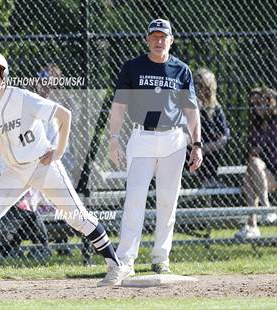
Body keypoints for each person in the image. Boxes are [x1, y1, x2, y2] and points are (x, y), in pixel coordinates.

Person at [0, 51, 129, 291]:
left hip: (43, 166)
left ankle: (116, 265)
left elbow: (65, 115)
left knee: (78, 218)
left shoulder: (21, 97)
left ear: (4, 75)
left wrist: (59, 152)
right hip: (15, 172)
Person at [108, 19, 203, 282]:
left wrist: (197, 144)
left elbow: (191, 110)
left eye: (164, 37)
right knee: (134, 200)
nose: (159, 41)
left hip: (174, 139)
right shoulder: (133, 67)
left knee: (167, 201)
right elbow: (119, 106)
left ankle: (161, 258)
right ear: (147, 39)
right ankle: (126, 260)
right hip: (142, 137)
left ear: (171, 40)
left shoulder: (181, 70)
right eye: (155, 36)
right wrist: (114, 139)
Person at [236, 87, 277, 239]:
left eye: (261, 103)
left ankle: (253, 225)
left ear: (271, 103)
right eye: (254, 105)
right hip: (261, 171)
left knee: (249, 177)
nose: (257, 108)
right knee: (250, 173)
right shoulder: (256, 126)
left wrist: (262, 148)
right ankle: (265, 210)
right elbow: (253, 153)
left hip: (274, 171)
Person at [193, 68, 230, 186]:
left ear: (208, 87)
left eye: (199, 84)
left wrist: (204, 148)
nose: (195, 87)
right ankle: (206, 180)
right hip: (190, 146)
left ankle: (209, 179)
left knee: (216, 138)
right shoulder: (188, 104)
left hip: (207, 149)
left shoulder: (216, 108)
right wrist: (196, 109)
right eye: (193, 83)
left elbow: (224, 136)